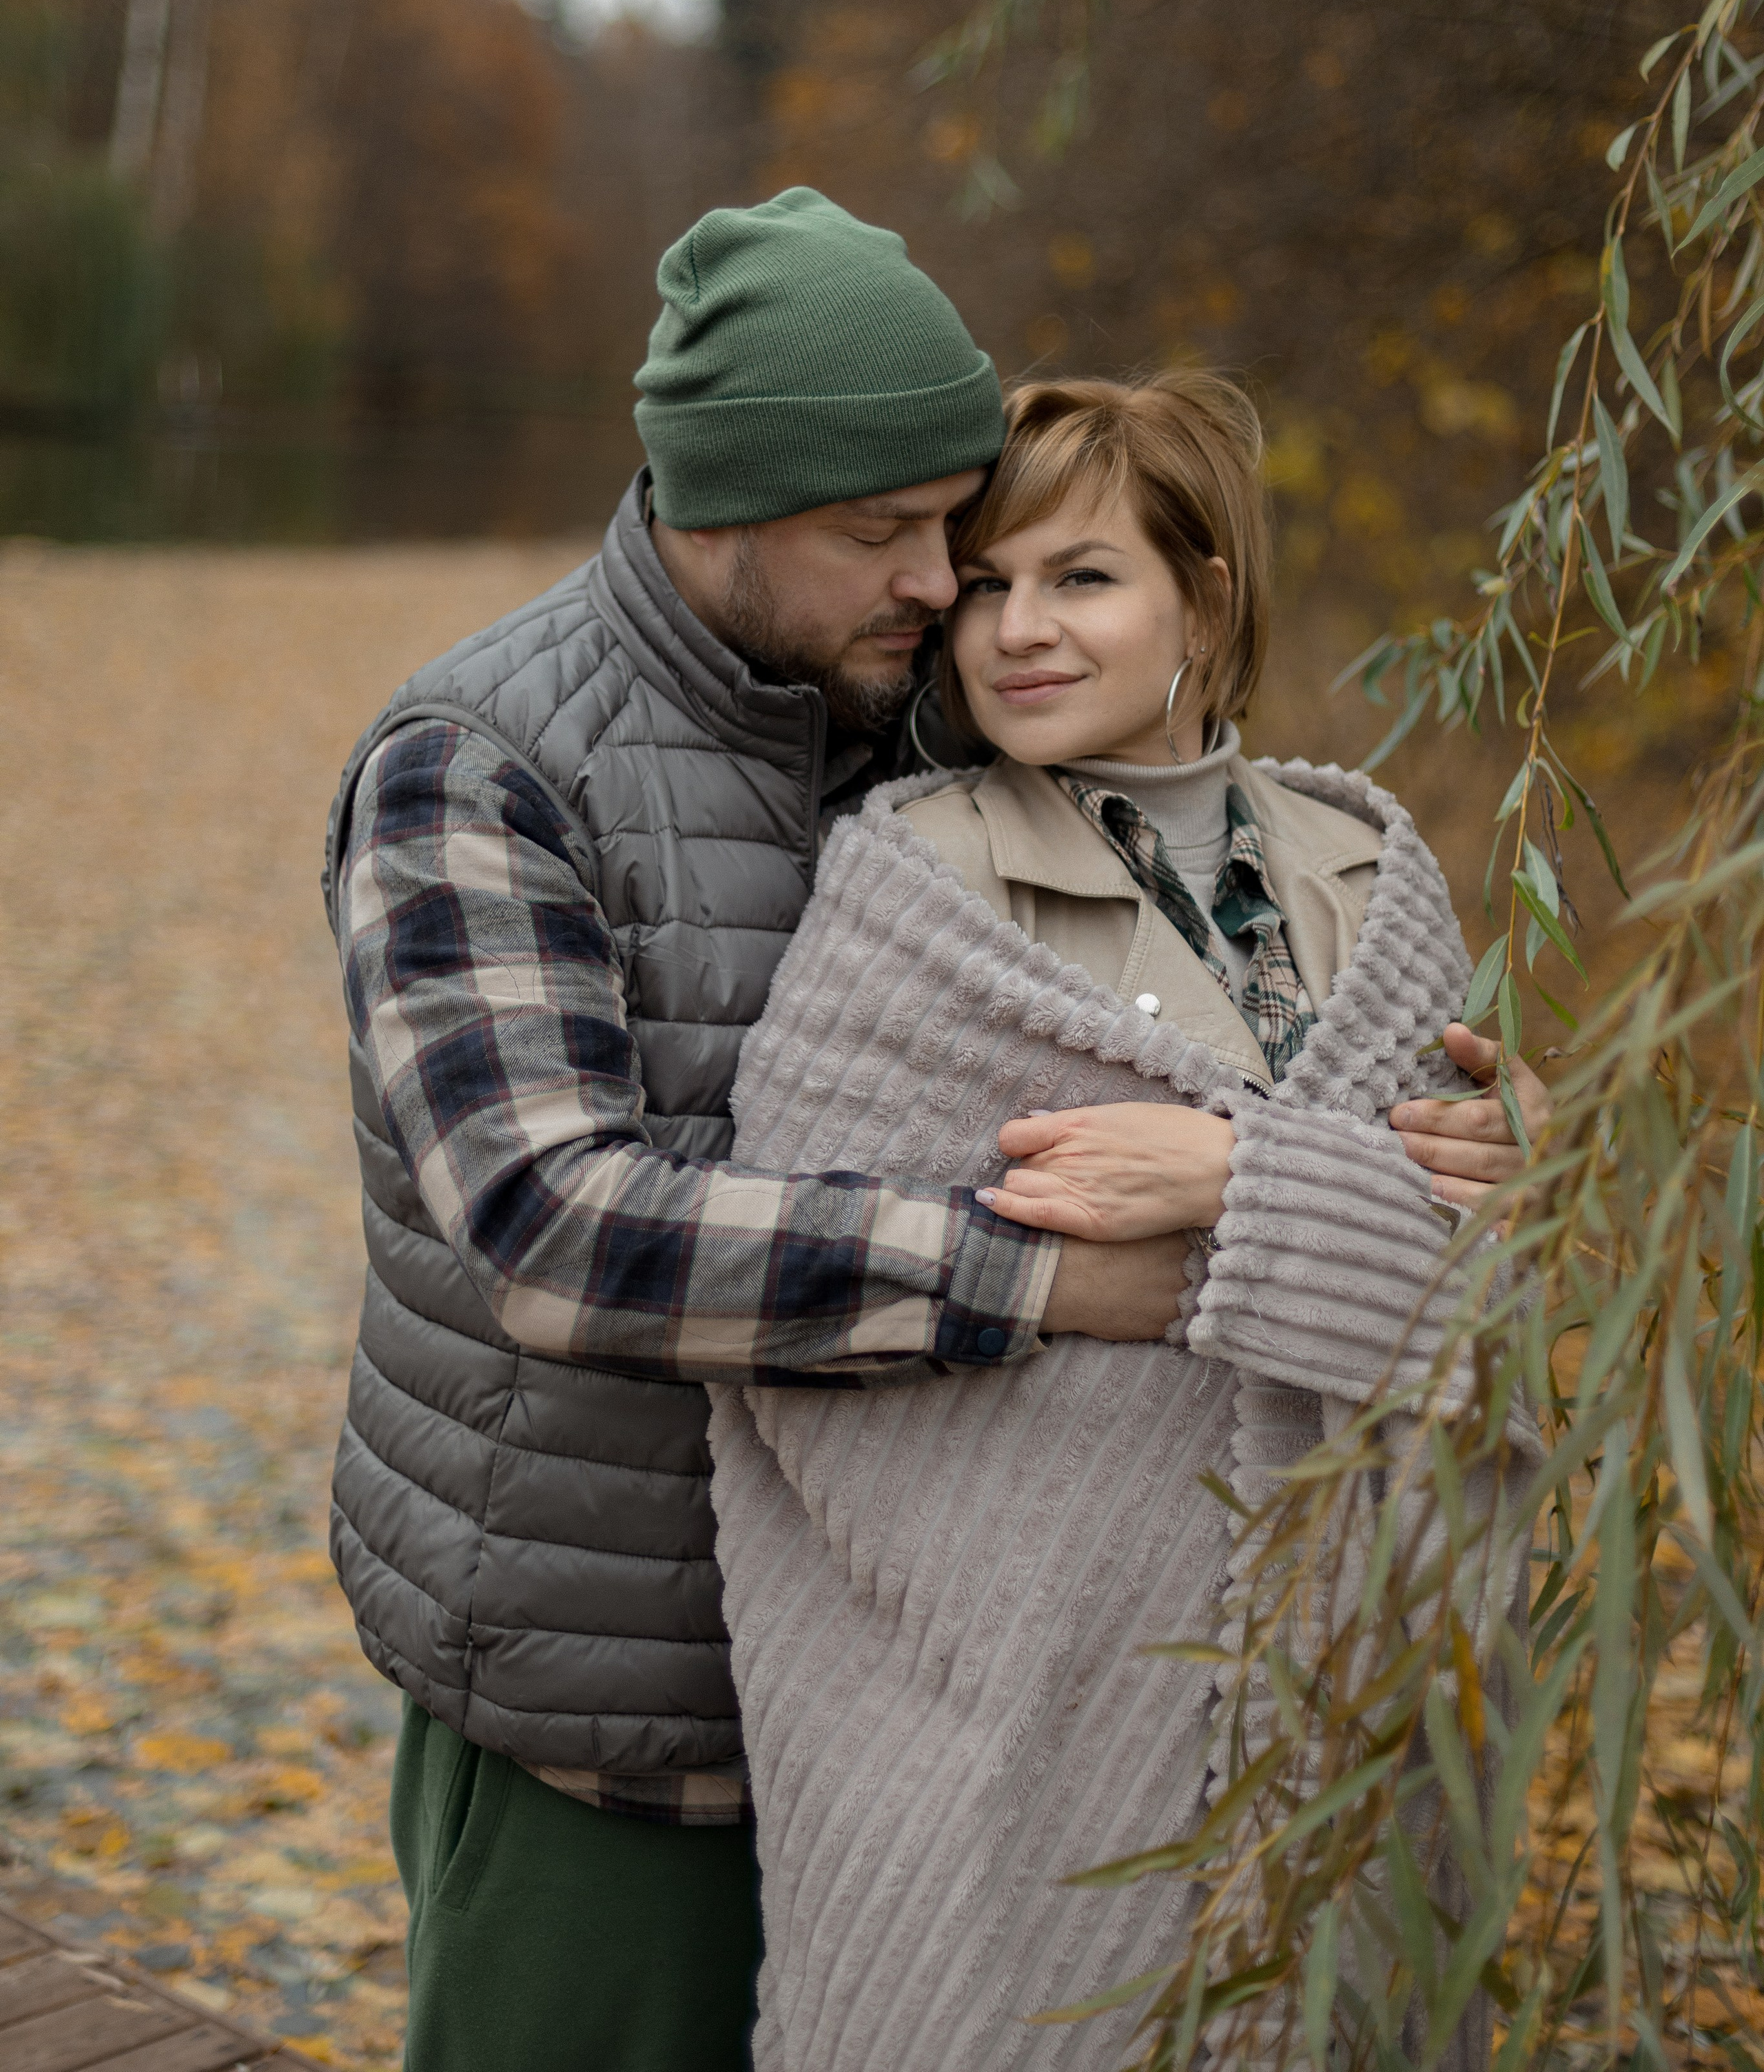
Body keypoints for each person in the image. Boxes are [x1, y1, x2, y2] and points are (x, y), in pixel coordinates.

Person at [320, 192, 1205, 2072]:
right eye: (880, 531)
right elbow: (559, 1228)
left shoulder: (917, 715)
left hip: (917, 1704)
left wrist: (1419, 1131)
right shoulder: (478, 768)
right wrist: (1034, 1278)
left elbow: (1207, 958)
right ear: (717, 504)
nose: (940, 578)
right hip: (621, 1719)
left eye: (954, 522)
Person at [708, 369, 1548, 2071]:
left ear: (1203, 598)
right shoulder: (909, 885)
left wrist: (1237, 1181)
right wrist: (1336, 1205)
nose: (1015, 629)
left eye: (1081, 578)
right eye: (988, 583)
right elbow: (808, 1296)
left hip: (1339, 1711)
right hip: (1010, 1695)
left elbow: (1484, 1303)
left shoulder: (1367, 879)